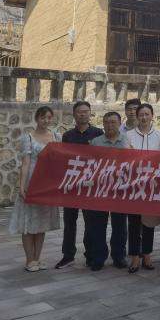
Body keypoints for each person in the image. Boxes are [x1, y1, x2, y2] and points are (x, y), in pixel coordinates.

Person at [9, 106, 61, 272]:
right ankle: (29, 259)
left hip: (47, 184)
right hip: (32, 182)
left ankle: (37, 258)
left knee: (41, 223)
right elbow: (25, 163)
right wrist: (22, 186)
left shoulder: (56, 137)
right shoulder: (28, 138)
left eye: (49, 117)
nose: (46, 120)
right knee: (28, 222)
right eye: (43, 117)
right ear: (37, 118)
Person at [56, 101, 103, 269]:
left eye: (86, 111)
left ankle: (90, 254)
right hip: (72, 185)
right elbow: (63, 159)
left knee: (90, 222)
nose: (83, 114)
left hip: (90, 185)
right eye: (79, 112)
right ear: (74, 114)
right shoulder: (68, 136)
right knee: (70, 222)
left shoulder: (98, 134)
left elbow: (102, 159)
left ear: (90, 113)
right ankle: (68, 255)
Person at [124, 103, 160, 273]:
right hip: (134, 185)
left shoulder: (159, 135)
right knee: (133, 222)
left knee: (149, 221)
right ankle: (134, 256)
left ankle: (147, 254)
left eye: (147, 114)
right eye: (141, 114)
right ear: (137, 116)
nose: (143, 117)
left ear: (152, 116)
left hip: (151, 185)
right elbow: (127, 159)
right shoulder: (128, 135)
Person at [87, 111, 128, 270]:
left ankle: (119, 256)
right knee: (98, 225)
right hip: (100, 190)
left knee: (120, 225)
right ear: (103, 124)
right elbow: (89, 165)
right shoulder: (96, 142)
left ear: (119, 123)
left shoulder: (127, 141)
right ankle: (99, 257)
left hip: (120, 190)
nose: (110, 125)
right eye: (107, 122)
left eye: (113, 122)